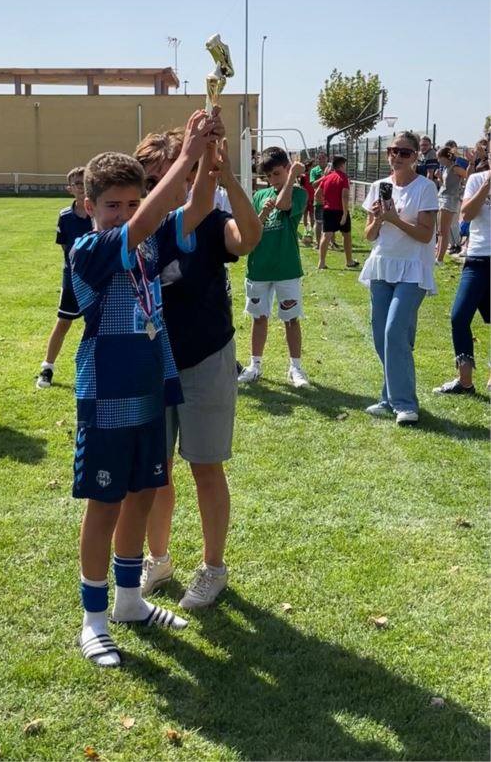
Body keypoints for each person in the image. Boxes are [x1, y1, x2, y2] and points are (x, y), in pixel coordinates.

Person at [69, 109, 219, 668]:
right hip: (106, 396)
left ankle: (130, 601)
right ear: (90, 207)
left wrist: (204, 161)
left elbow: (197, 209)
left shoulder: (152, 244)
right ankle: (93, 620)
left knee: (140, 497)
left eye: (135, 202)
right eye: (112, 204)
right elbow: (140, 228)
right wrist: (182, 158)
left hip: (150, 391)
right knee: (104, 505)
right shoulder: (90, 251)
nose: (126, 213)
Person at [132, 127, 261, 609]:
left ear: (190, 175)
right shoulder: (139, 227)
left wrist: (227, 175)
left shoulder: (206, 218)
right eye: (150, 179)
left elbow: (247, 239)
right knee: (155, 470)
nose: (159, 186)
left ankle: (212, 568)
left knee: (205, 466)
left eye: (172, 175)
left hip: (206, 354)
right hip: (152, 360)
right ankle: (157, 559)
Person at [359, 131, 438, 424]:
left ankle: (405, 403)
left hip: (412, 268)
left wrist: (394, 219)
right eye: (393, 150)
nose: (397, 156)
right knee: (383, 337)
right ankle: (388, 396)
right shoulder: (378, 186)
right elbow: (368, 236)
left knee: (395, 332)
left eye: (404, 152)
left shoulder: (425, 188)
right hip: (382, 266)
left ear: (416, 156)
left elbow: (425, 234)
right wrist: (380, 218)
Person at [238, 147, 310, 388]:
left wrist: (291, 179)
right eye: (269, 176)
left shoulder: (298, 193)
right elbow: (251, 230)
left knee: (291, 319)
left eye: (277, 174)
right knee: (259, 318)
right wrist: (262, 213)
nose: (272, 180)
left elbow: (284, 205)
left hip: (286, 268)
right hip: (259, 268)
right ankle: (255, 365)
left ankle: (296, 368)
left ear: (288, 170)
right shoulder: (260, 196)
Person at [433, 154, 490, 395]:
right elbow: (466, 214)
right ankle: (465, 381)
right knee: (459, 317)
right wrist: (487, 186)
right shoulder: (477, 180)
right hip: (477, 259)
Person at [36, 168, 92, 388]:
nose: (82, 187)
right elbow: (65, 249)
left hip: (97, 278)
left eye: (85, 182)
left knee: (97, 324)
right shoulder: (65, 216)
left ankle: (95, 369)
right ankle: (47, 367)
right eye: (77, 184)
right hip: (73, 278)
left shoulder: (99, 212)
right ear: (70, 189)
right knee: (63, 322)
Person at [315, 156, 358, 270]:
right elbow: (344, 196)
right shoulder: (343, 177)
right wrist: (344, 214)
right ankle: (349, 261)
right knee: (347, 235)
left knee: (326, 235)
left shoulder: (327, 177)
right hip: (340, 210)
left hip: (328, 210)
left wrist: (324, 203)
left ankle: (321, 262)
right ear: (342, 165)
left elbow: (317, 194)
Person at [435, 146, 468, 263]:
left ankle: (440, 259)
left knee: (444, 231)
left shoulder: (455, 168)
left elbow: (467, 176)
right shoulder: (445, 168)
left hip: (450, 200)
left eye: (440, 158)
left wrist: (462, 188)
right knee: (440, 230)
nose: (438, 160)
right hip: (442, 197)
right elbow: (446, 184)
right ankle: (437, 255)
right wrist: (439, 178)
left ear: (446, 157)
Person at [309, 152, 326, 248]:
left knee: (330, 223)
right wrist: (324, 177)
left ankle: (332, 242)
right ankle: (318, 243)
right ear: (317, 160)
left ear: (327, 158)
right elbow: (313, 184)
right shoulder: (314, 171)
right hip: (319, 201)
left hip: (330, 201)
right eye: (320, 158)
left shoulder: (332, 170)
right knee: (319, 222)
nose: (322, 160)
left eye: (323, 158)